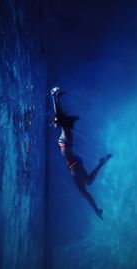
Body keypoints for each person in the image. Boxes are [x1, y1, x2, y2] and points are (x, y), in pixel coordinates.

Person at [51, 87, 112, 220]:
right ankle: (101, 163)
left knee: (85, 189)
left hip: (74, 164)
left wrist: (55, 97)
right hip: (74, 163)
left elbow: (59, 116)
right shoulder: (64, 131)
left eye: (55, 123)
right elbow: (59, 116)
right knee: (87, 185)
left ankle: (97, 210)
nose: (54, 123)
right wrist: (55, 98)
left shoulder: (66, 133)